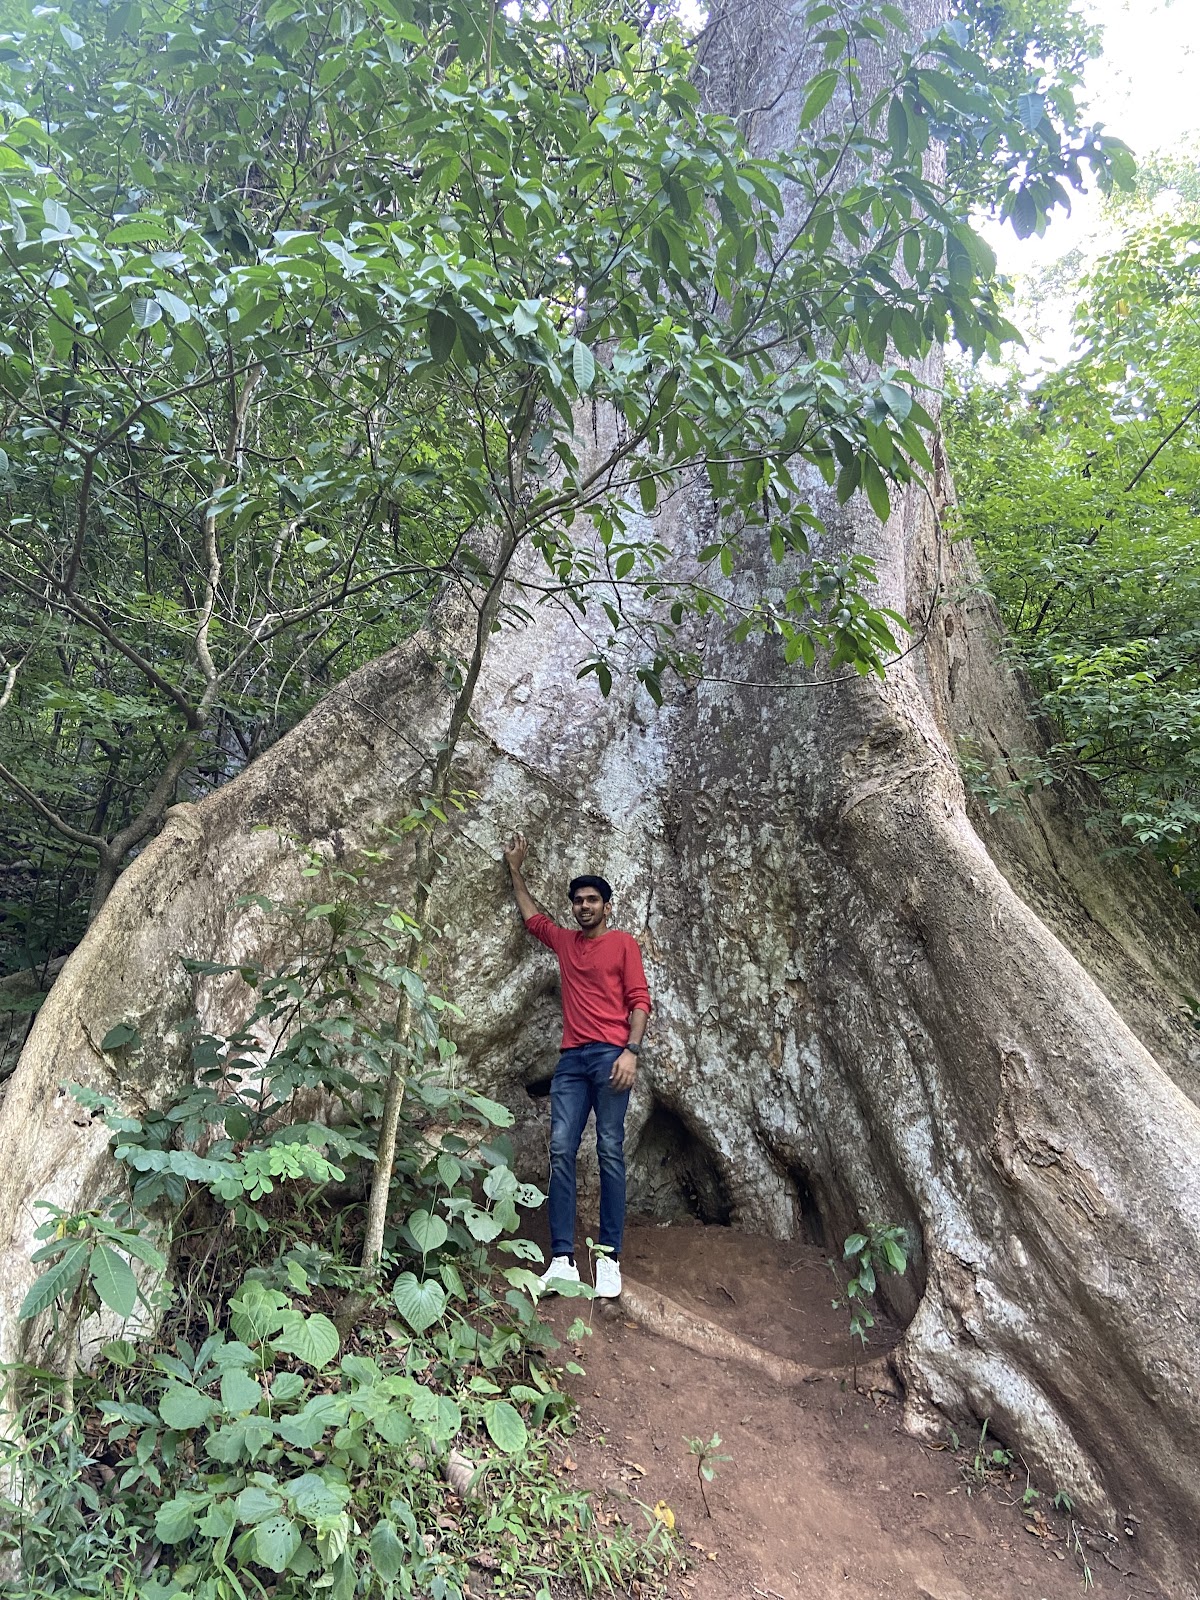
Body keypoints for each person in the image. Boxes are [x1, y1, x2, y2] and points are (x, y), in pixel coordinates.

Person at [503, 833, 651, 1299]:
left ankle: (608, 1258)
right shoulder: (566, 942)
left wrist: (631, 1051)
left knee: (609, 1149)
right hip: (570, 1060)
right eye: (578, 901)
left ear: (608, 906)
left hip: (611, 1057)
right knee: (561, 1149)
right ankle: (563, 1259)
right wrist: (515, 870)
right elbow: (533, 919)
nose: (584, 906)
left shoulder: (623, 944)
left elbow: (640, 1000)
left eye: (592, 900)